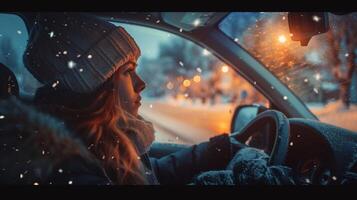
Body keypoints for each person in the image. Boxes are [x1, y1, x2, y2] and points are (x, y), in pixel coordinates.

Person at [4, 12, 246, 185]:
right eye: (128, 72)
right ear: (96, 85)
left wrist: (217, 149)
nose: (142, 83)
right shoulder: (71, 170)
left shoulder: (102, 141)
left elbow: (148, 176)